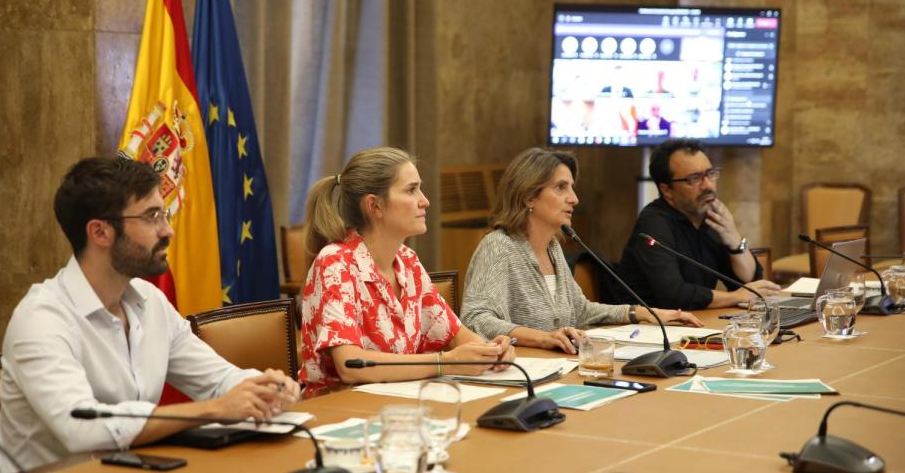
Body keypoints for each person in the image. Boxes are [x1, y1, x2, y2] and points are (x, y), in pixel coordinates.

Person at [0, 157, 300, 473]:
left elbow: (216, 380)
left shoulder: (149, 300)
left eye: (163, 214)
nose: (167, 230)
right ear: (100, 232)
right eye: (152, 217)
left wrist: (262, 387)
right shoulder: (41, 319)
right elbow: (79, 427)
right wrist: (213, 410)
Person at [300, 147, 515, 398]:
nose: (425, 200)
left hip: (401, 402)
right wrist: (443, 363)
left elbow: (456, 335)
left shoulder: (406, 259)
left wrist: (492, 350)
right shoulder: (336, 263)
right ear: (375, 205)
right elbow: (350, 365)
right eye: (411, 190)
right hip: (340, 409)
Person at [460, 148, 701, 354]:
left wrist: (644, 313)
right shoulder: (499, 246)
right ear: (528, 197)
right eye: (560, 188)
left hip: (561, 366)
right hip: (521, 372)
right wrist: (543, 338)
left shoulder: (552, 248)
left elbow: (581, 311)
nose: (574, 199)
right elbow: (476, 320)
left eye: (571, 188)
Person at [617, 139, 781, 309]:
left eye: (710, 174)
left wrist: (735, 240)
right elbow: (674, 295)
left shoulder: (710, 218)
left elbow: (750, 283)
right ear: (667, 190)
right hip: (647, 329)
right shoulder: (653, 224)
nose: (708, 185)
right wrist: (735, 297)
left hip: (695, 322)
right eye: (694, 179)